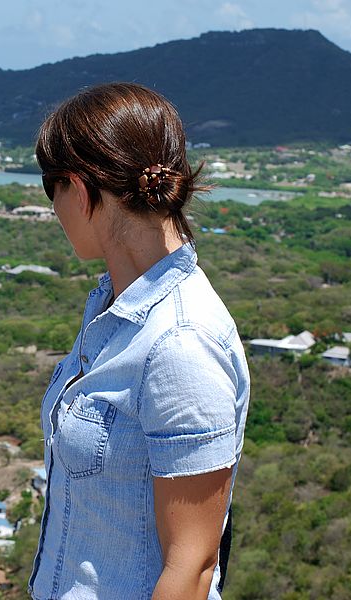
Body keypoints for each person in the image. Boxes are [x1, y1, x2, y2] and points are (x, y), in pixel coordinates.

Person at [29, 82, 250, 600]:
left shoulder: (180, 342)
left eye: (50, 188)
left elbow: (191, 569)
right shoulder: (114, 309)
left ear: (79, 191)